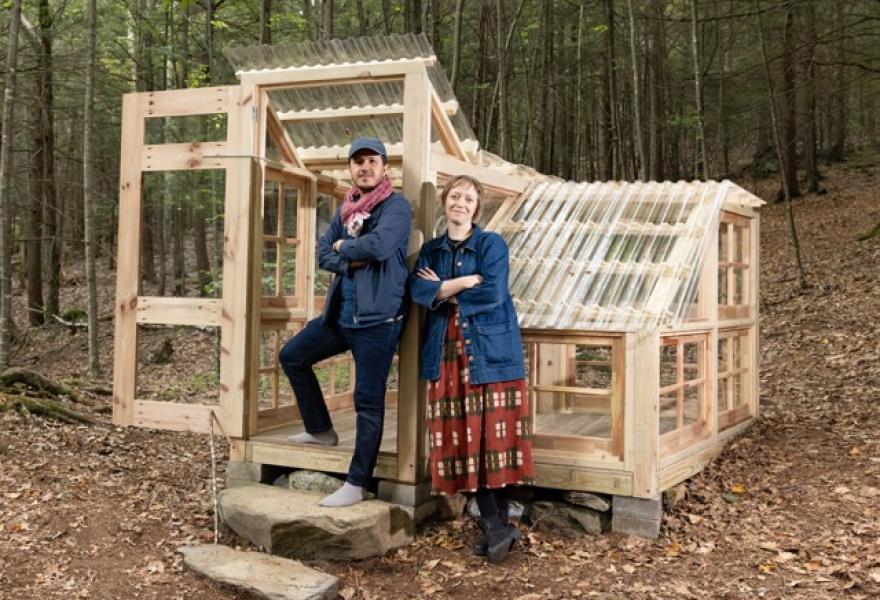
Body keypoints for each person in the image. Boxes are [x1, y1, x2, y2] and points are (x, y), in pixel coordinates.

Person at [279, 138, 411, 508]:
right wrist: (344, 255)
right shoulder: (347, 209)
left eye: (372, 161)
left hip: (378, 320)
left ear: (385, 167)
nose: (364, 167)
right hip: (340, 316)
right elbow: (322, 253)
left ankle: (357, 482)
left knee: (367, 401)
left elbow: (380, 247)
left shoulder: (396, 207)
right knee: (292, 356)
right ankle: (320, 430)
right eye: (358, 162)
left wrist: (343, 248)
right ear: (350, 169)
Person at [410, 174, 534, 563]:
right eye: (454, 196)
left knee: (488, 434)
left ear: (476, 207)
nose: (460, 203)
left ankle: (496, 525)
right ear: (445, 203)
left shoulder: (491, 243)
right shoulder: (431, 250)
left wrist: (442, 290)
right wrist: (464, 280)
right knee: (463, 432)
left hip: (488, 349)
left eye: (468, 198)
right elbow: (417, 292)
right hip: (446, 350)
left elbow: (493, 292)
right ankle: (497, 526)